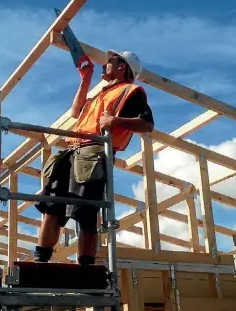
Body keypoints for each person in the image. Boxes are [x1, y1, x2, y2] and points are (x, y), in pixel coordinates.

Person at [34, 49, 154, 265]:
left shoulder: (131, 91)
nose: (104, 64)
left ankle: (86, 266)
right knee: (52, 206)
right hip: (72, 151)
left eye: (111, 61)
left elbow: (147, 124)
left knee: (86, 213)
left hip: (92, 154)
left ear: (122, 66)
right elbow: (75, 112)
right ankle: (41, 261)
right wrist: (85, 79)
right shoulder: (102, 93)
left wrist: (116, 121)